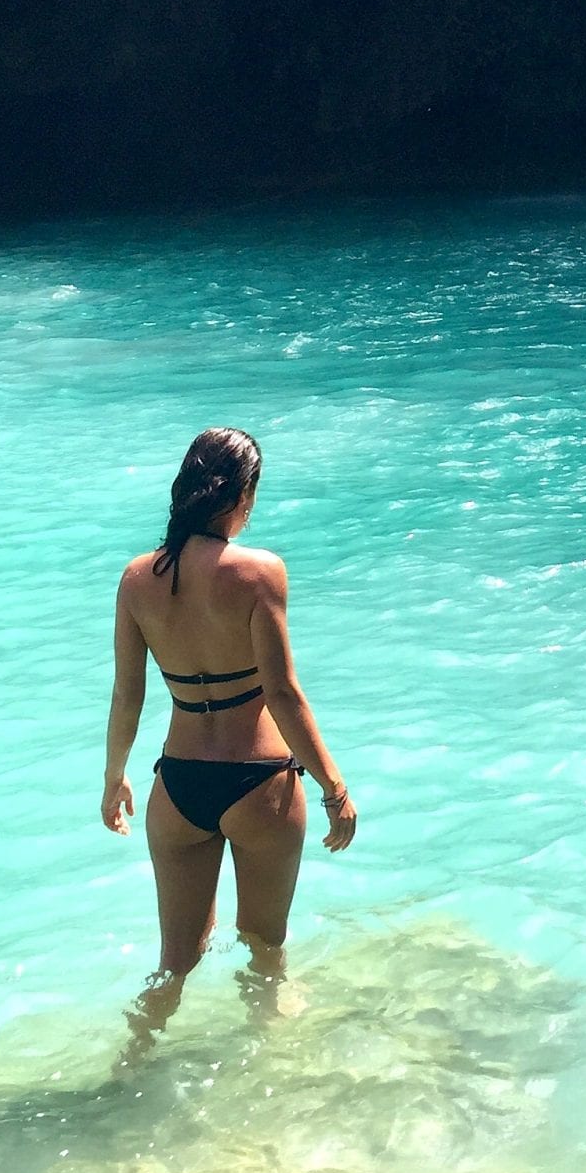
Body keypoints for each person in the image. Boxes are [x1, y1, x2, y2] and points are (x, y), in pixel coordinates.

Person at [102, 427, 356, 1006]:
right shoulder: (260, 572)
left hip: (178, 787)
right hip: (258, 783)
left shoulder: (138, 579)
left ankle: (136, 1061)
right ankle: (271, 1080)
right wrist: (333, 787)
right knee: (266, 952)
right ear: (242, 497)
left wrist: (115, 777)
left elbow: (127, 698)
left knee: (173, 965)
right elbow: (284, 694)